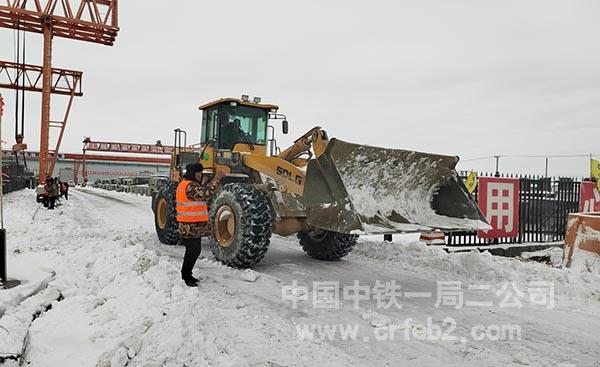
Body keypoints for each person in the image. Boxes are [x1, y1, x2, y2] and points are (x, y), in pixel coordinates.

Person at [176, 163, 223, 286]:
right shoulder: (190, 186)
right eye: (198, 173)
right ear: (193, 173)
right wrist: (217, 179)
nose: (200, 175)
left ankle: (187, 274)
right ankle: (186, 276)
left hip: (191, 225)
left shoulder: (186, 184)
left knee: (194, 251)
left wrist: (205, 182)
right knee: (193, 251)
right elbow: (206, 193)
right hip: (189, 226)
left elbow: (200, 193)